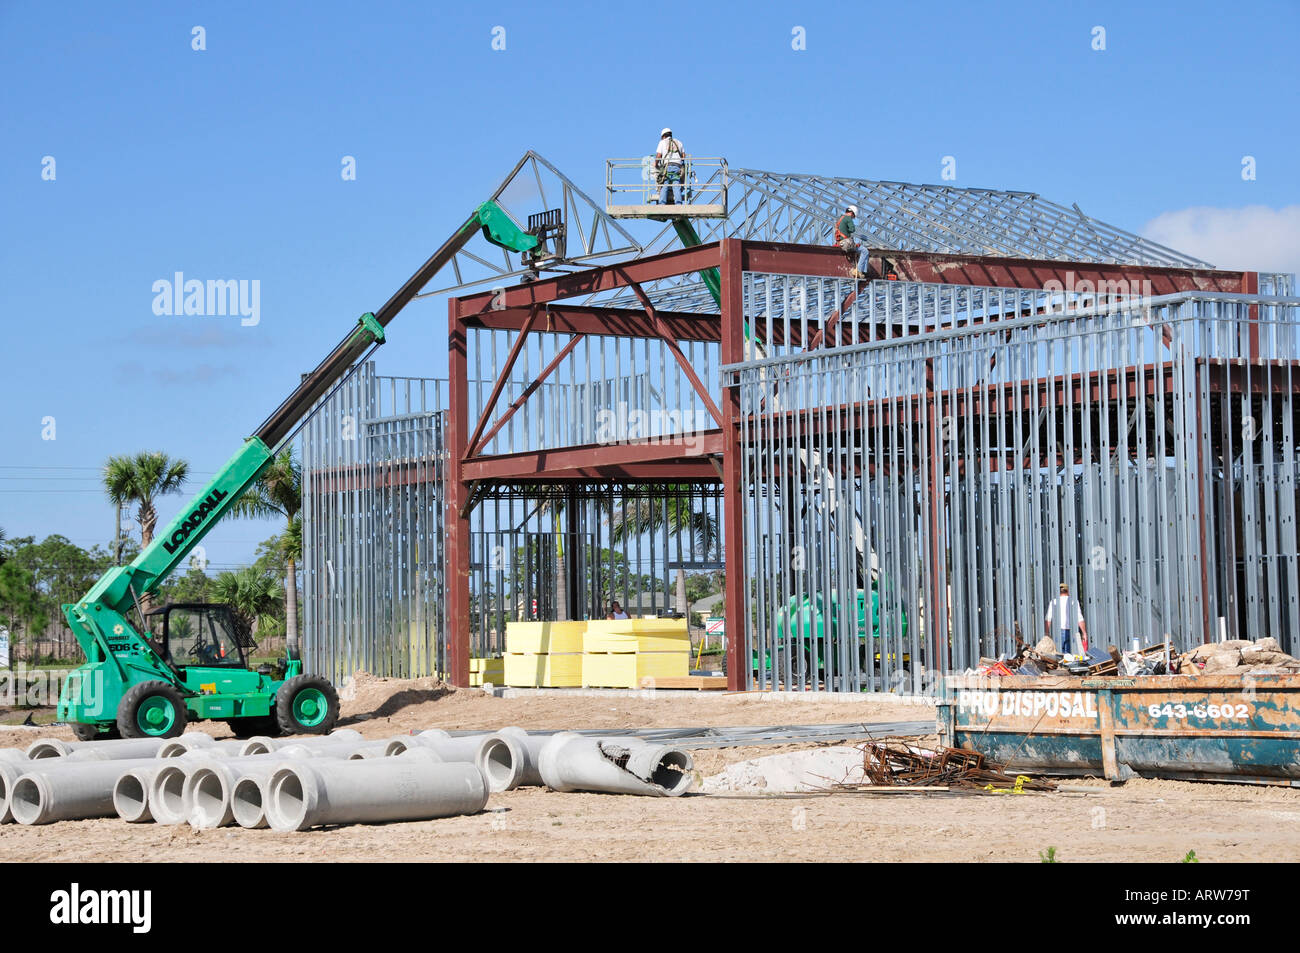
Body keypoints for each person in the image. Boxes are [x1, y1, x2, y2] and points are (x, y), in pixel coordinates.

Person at [1044, 582, 1089, 654]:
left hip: (1058, 633)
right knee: (1070, 656)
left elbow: (1048, 619)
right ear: (1068, 591)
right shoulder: (1073, 601)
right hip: (1071, 632)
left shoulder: (1054, 602)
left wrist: (1047, 633)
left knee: (1059, 655)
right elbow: (1079, 618)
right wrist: (1084, 633)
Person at [833, 204, 870, 278]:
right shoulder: (848, 218)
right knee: (865, 251)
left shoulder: (841, 218)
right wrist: (849, 231)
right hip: (847, 244)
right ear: (852, 213)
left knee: (860, 249)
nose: (853, 218)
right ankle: (859, 271)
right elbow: (852, 229)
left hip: (841, 243)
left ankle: (862, 271)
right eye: (853, 217)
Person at [653, 128, 687, 206]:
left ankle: (662, 203)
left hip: (667, 166)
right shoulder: (679, 142)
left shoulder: (662, 142)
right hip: (677, 166)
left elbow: (658, 155)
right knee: (676, 184)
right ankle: (678, 203)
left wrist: (656, 164)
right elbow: (683, 155)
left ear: (663, 136)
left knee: (665, 184)